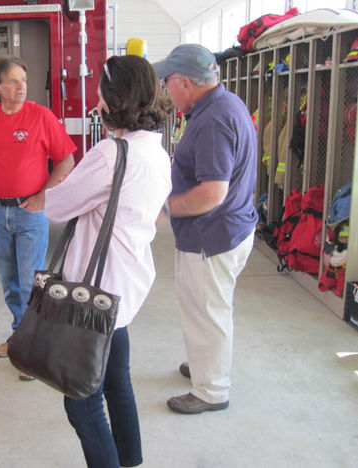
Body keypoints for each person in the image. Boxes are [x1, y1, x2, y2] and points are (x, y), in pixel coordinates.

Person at [45, 55, 172, 468]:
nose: (95, 99)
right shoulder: (156, 152)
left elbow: (57, 206)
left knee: (81, 404)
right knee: (118, 384)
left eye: (99, 91)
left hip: (93, 292)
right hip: (124, 286)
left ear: (113, 98)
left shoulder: (110, 153)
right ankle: (131, 461)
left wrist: (68, 184)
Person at [152, 44, 258, 414]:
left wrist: (164, 207)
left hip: (211, 237)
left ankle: (211, 390)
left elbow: (212, 193)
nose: (166, 89)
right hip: (228, 229)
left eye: (167, 81)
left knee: (207, 311)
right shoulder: (222, 105)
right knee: (205, 308)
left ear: (184, 82)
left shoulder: (213, 120)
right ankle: (204, 364)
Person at [0, 56, 76, 380]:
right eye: (12, 81)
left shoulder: (41, 116)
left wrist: (43, 196)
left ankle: (35, 349)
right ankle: (19, 336)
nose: (20, 86)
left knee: (30, 284)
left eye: (23, 79)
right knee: (10, 284)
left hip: (30, 214)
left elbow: (66, 160)